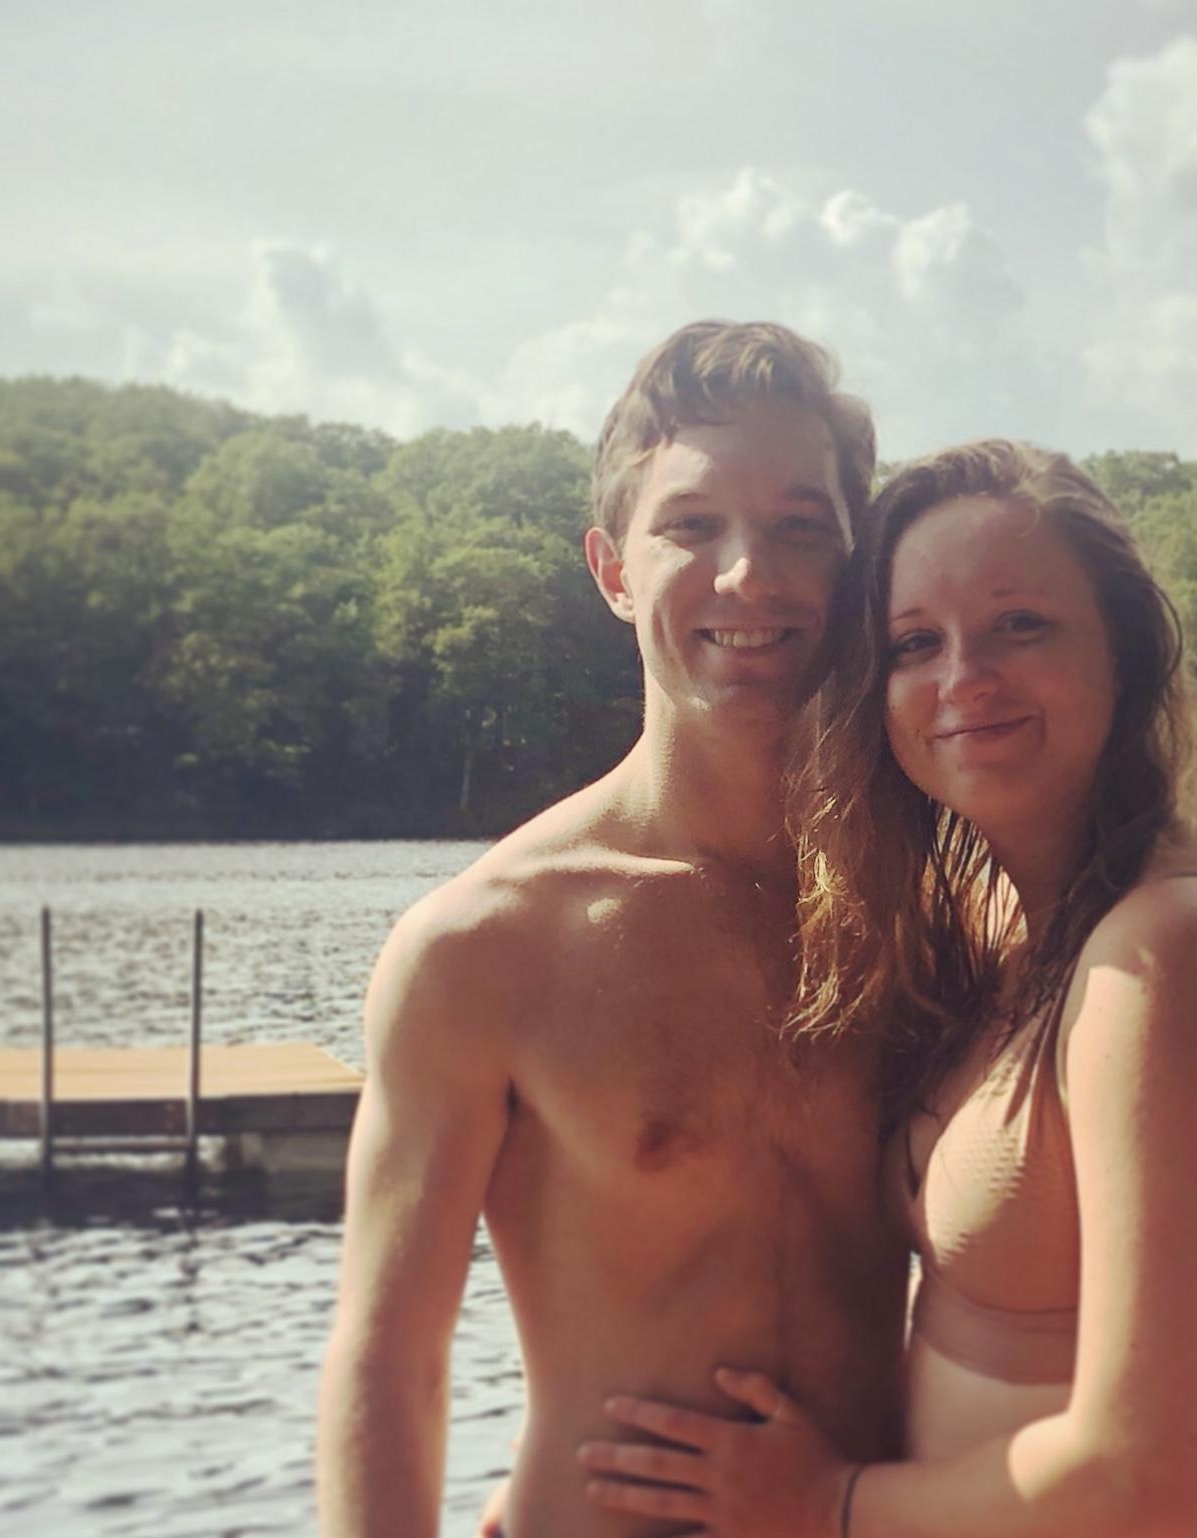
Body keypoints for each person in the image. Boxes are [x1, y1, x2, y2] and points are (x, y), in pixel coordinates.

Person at [577, 440, 1197, 1536]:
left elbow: (1144, 1469)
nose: (963, 676)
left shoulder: (1171, 952)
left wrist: (826, 1503)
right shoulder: (992, 924)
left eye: (1020, 624)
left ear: (1120, 649)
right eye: (913, 642)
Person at [316, 321, 910, 1538]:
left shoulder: (933, 905)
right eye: (692, 524)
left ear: (858, 567)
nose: (750, 574)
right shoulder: (486, 944)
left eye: (802, 526)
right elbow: (391, 1361)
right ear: (611, 568)